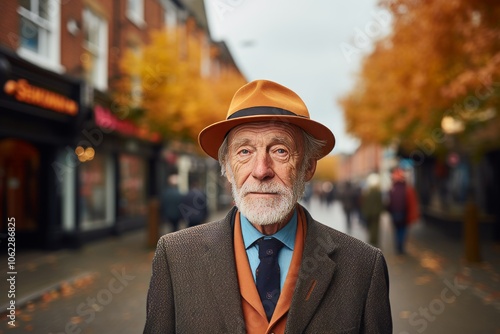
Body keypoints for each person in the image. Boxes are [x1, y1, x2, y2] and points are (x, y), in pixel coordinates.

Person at [144, 80, 392, 333]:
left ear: (308, 167)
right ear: (228, 169)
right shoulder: (175, 257)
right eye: (244, 152)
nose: (261, 170)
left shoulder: (362, 266)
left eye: (280, 151)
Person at [387, 167, 419, 254]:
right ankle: (400, 247)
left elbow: (389, 203)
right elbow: (412, 203)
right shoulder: (407, 189)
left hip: (395, 214)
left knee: (397, 231)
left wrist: (390, 211)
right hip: (403, 214)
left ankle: (398, 246)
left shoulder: (392, 189)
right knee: (402, 231)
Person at [361, 173, 384, 247]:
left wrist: (365, 212)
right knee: (375, 227)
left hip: (369, 213)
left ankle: (372, 240)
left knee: (371, 227)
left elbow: (366, 203)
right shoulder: (377, 192)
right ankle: (374, 240)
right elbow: (380, 203)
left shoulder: (368, 192)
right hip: (376, 213)